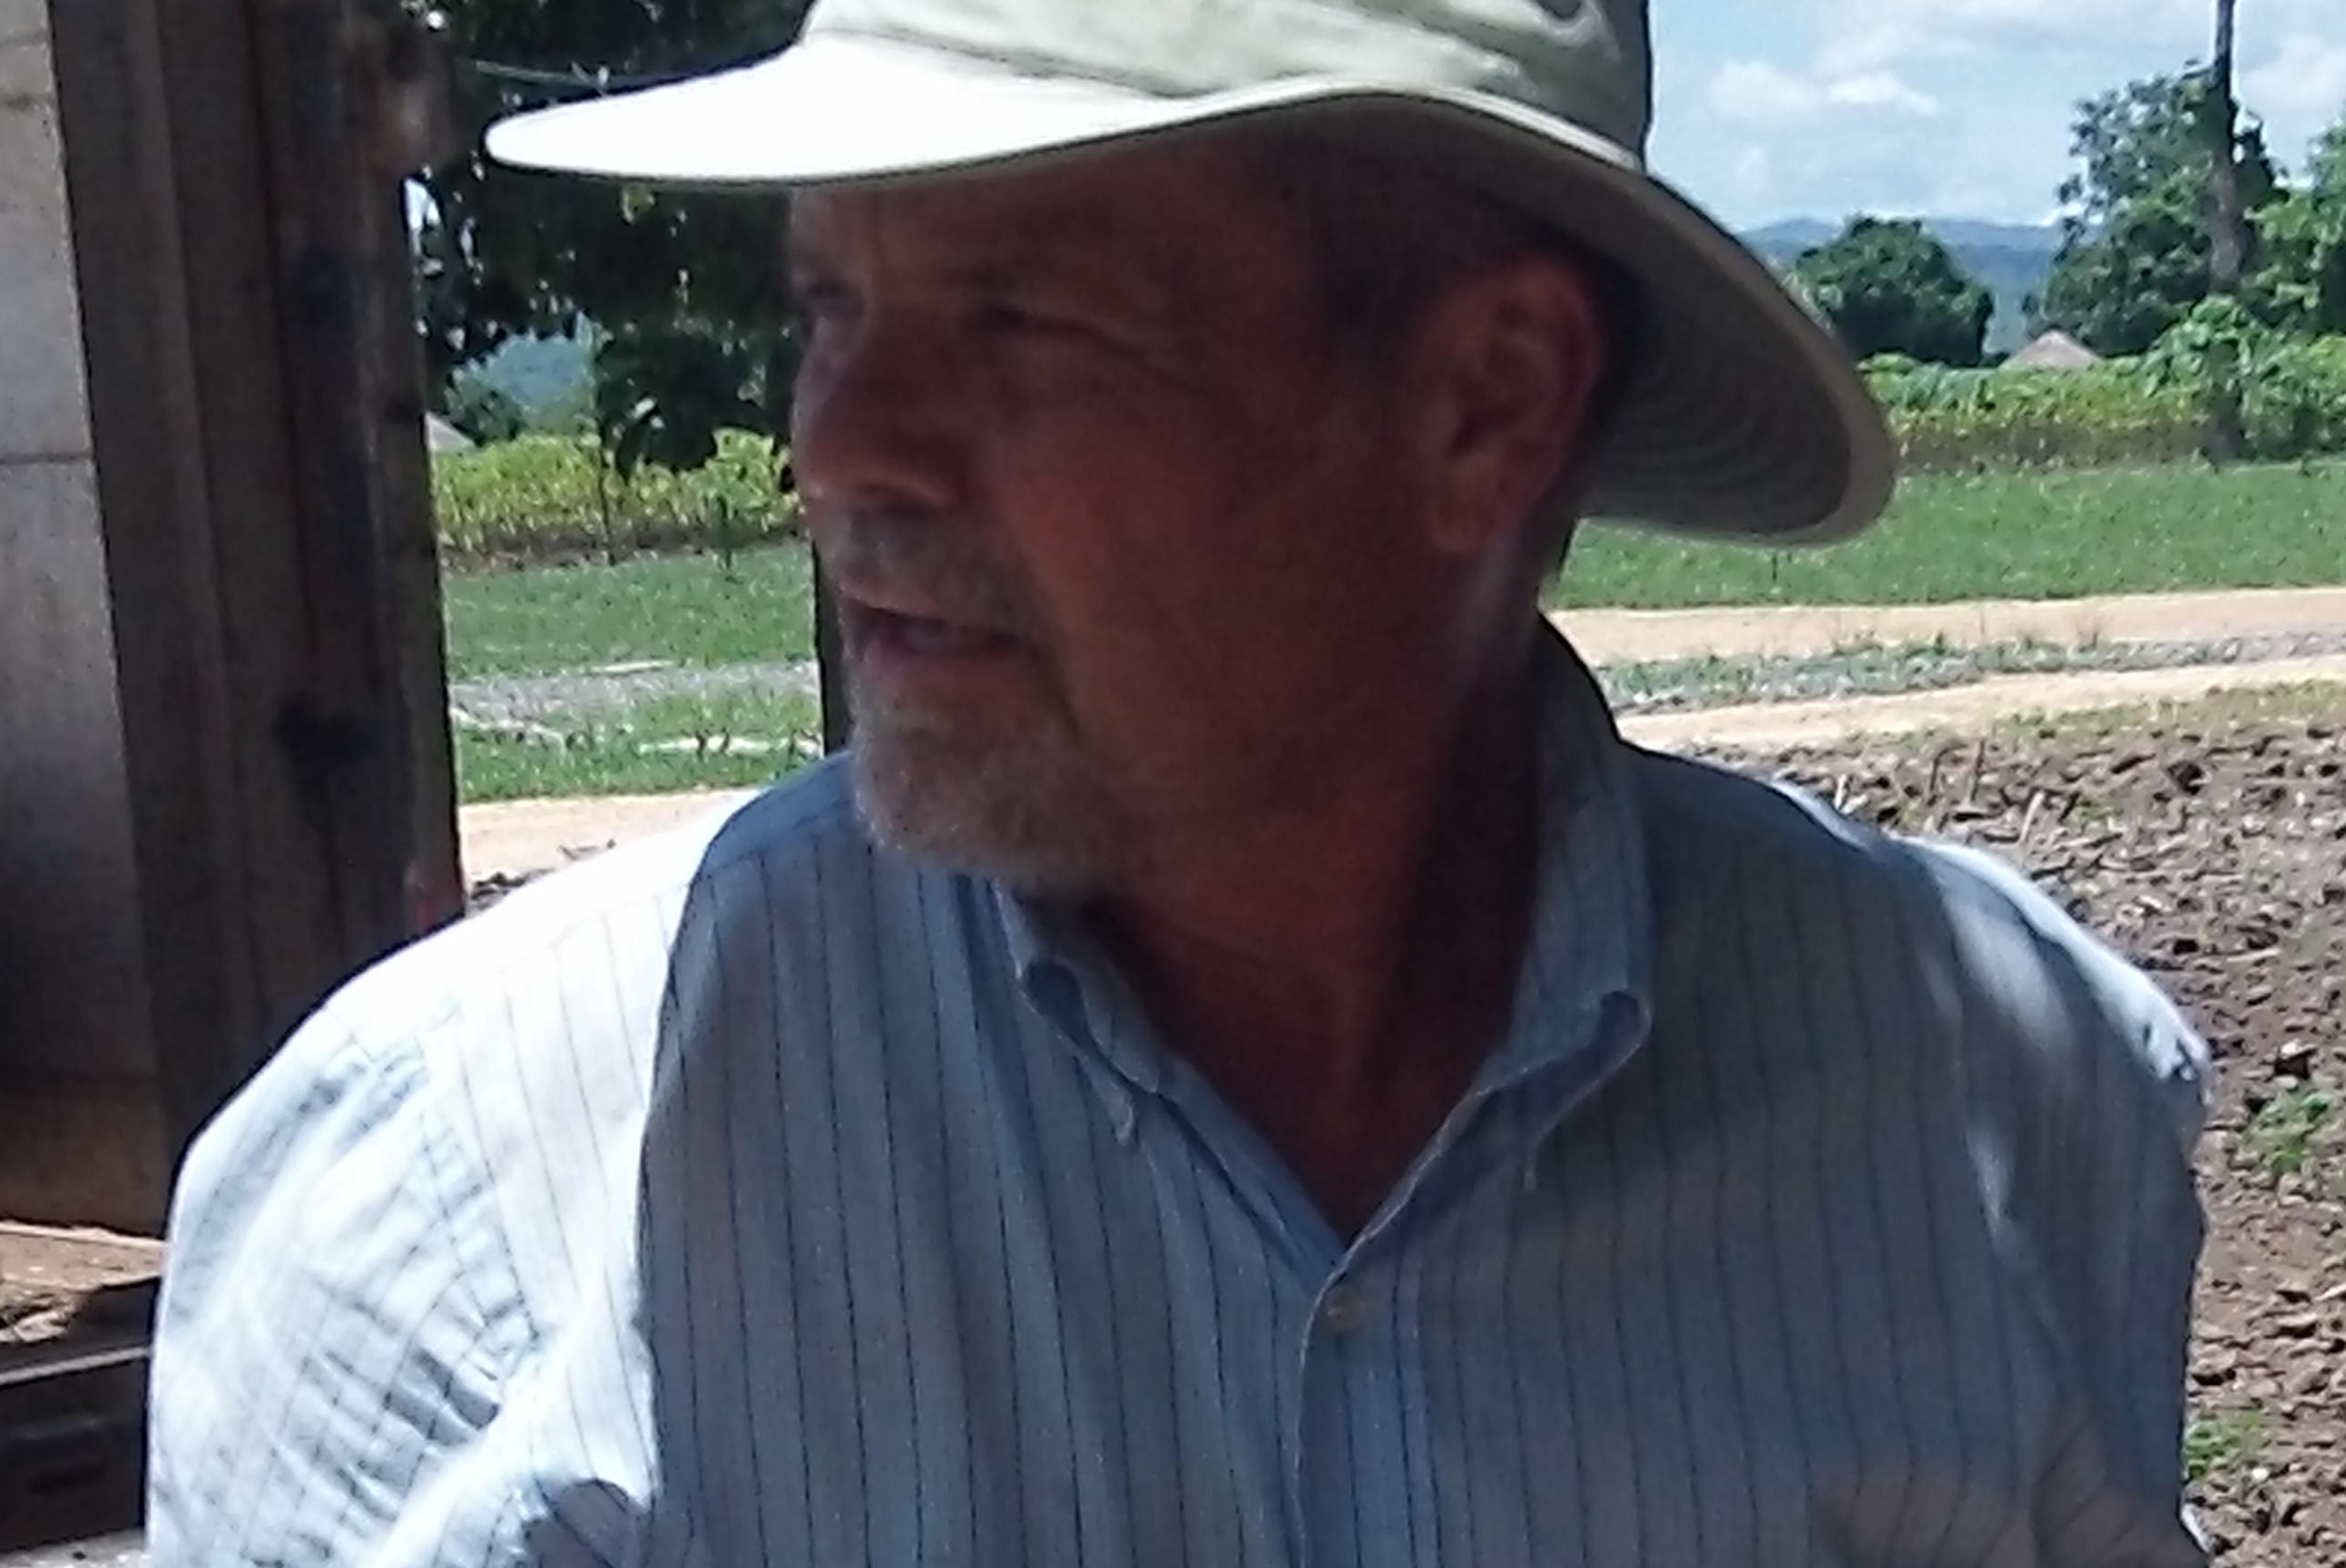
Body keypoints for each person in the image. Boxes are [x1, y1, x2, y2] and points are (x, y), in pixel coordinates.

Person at [145, 1, 2218, 1563]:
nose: (842, 448)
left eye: (1021, 320)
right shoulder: (469, 1197)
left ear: (1487, 404)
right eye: (832, 304)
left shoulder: (1998, 1101)